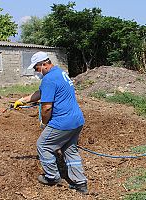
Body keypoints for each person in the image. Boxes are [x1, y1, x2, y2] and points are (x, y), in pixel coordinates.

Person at [13, 52, 88, 195]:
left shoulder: (49, 79)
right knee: (69, 150)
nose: (36, 72)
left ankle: (52, 177)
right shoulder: (60, 73)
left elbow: (47, 107)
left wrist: (44, 122)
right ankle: (81, 183)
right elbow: (41, 93)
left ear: (44, 65)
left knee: (43, 145)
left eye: (36, 68)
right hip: (77, 120)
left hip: (63, 122)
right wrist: (22, 100)